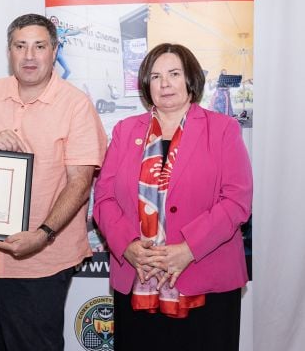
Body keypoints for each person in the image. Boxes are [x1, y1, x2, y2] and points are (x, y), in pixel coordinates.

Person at [0, 13, 107, 350]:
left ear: (54, 51)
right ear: (9, 51)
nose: (29, 56)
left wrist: (43, 235)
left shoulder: (75, 105)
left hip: (41, 258)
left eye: (39, 46)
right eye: (20, 46)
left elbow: (80, 183)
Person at [92, 43, 252, 350]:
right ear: (145, 85)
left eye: (174, 74)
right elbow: (104, 199)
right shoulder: (126, 131)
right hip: (139, 276)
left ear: (190, 79)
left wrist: (189, 248)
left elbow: (237, 200)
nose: (164, 83)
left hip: (206, 282)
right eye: (155, 76)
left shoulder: (222, 129)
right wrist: (128, 247)